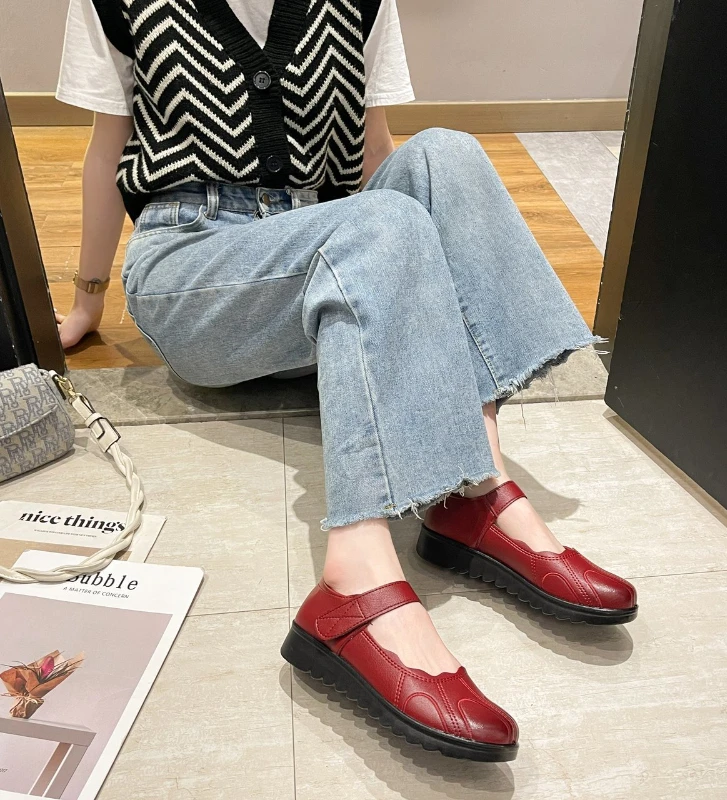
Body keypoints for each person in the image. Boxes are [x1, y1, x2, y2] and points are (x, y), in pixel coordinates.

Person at [56, 0, 637, 762]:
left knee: (446, 157)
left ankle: (475, 484)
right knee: (380, 224)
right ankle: (354, 578)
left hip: (327, 250)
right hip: (195, 267)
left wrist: (401, 251)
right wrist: (88, 299)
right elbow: (108, 147)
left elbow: (375, 148)